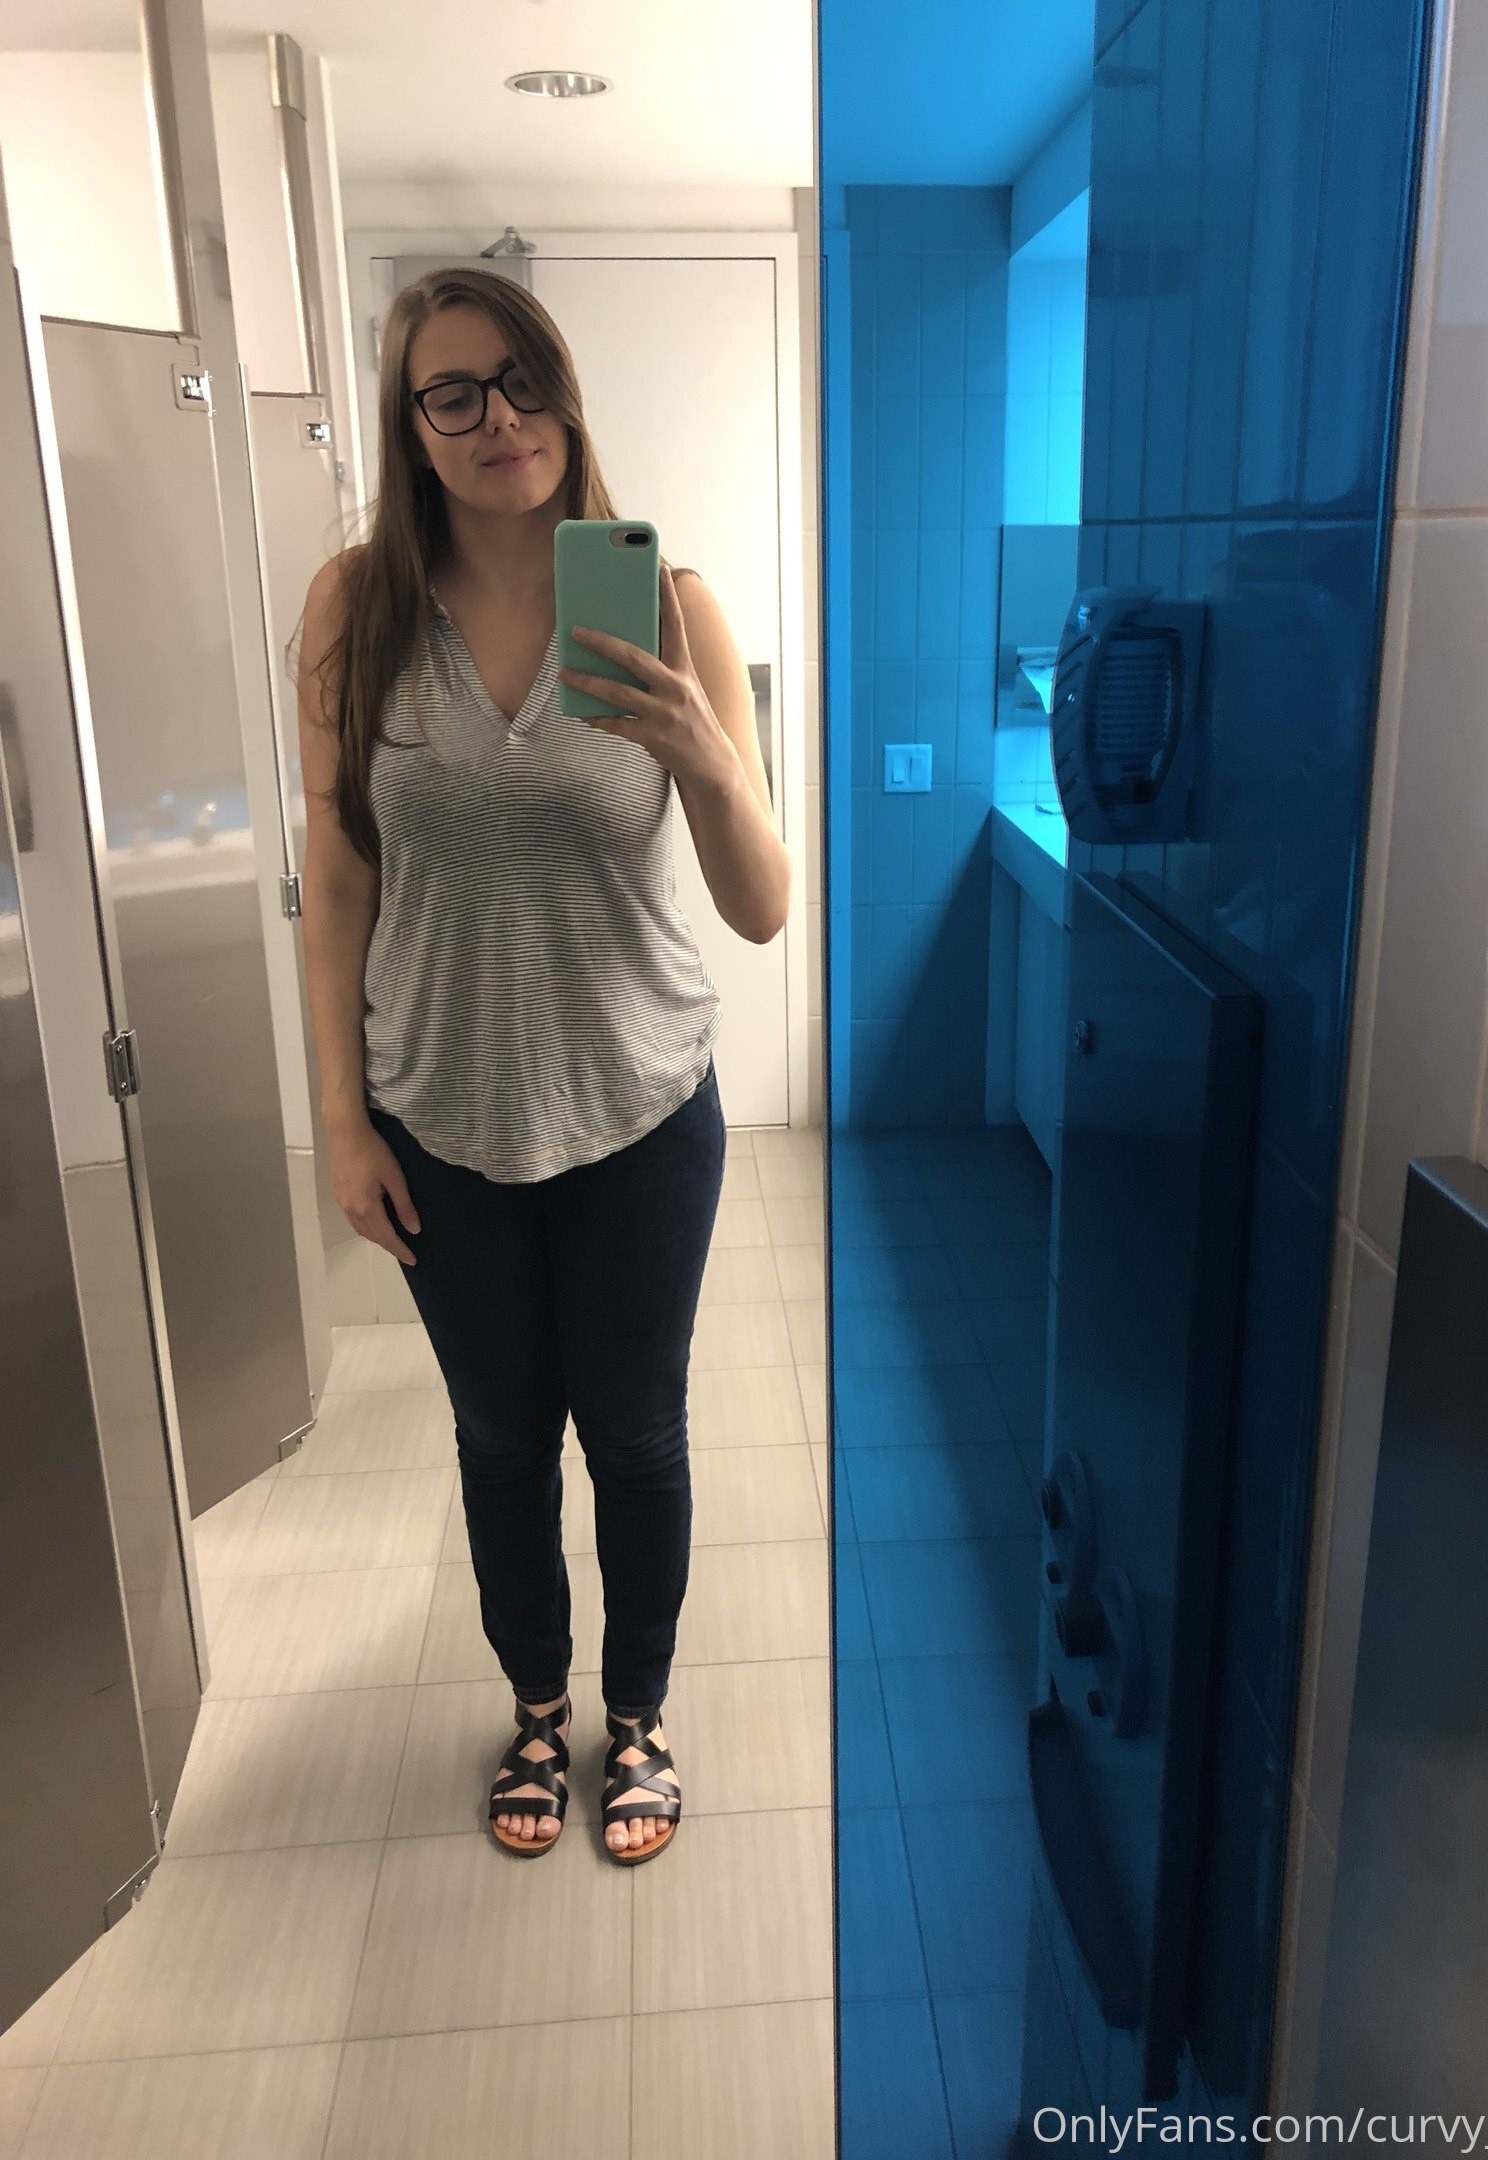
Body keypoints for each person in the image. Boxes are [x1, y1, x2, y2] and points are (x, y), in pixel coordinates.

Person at [294, 265, 790, 1863]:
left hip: (641, 1107)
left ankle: (635, 1715)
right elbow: (338, 875)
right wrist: (339, 1119)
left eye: (520, 378)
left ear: (565, 393)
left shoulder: (670, 606)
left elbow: (763, 907)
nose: (497, 417)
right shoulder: (353, 610)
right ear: (410, 427)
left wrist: (707, 753)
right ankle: (535, 1702)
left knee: (636, 1435)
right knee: (502, 1440)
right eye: (452, 392)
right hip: (439, 1117)